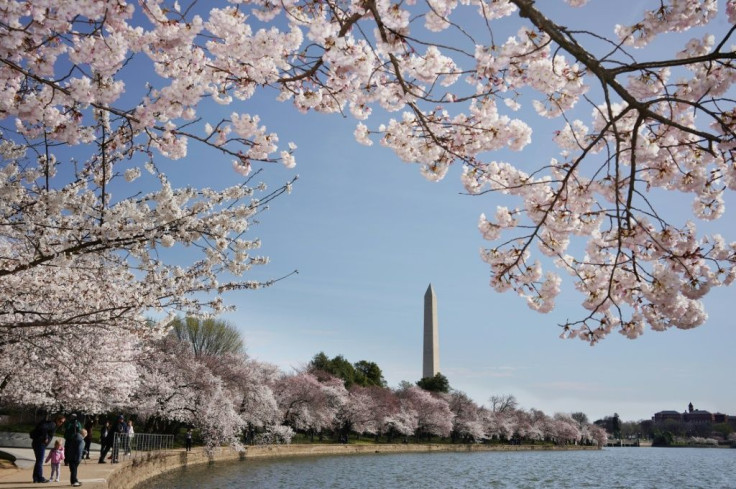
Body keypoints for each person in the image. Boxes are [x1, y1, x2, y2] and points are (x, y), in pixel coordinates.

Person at [30, 414, 65, 483]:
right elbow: (43, 428)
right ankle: (40, 478)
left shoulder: (52, 424)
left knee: (38, 461)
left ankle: (36, 478)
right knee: (40, 461)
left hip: (38, 443)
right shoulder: (52, 424)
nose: (61, 423)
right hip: (40, 443)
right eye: (60, 421)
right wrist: (45, 437)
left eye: (63, 422)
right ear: (57, 419)